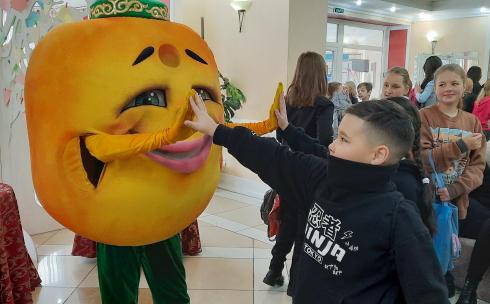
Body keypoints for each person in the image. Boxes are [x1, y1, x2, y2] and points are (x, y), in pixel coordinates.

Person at [185, 94, 449, 304]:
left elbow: (427, 293)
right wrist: (217, 130)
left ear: (378, 154)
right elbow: (273, 156)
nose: (332, 145)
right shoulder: (323, 177)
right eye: (337, 136)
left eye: (343, 139)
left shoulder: (399, 218)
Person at [264, 51, 334, 288]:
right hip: (311, 170)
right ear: (321, 74)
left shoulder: (287, 100)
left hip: (287, 166)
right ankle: (296, 280)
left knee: (288, 220)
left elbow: (279, 133)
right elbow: (324, 139)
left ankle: (274, 269)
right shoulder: (323, 104)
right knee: (306, 225)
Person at [419, 64, 487, 304]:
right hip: (426, 198)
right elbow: (423, 159)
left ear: (465, 87)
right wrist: (460, 146)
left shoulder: (473, 123)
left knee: (448, 241)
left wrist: (455, 189)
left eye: (454, 83)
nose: (448, 88)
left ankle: (448, 275)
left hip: (457, 200)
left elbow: (477, 168)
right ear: (434, 88)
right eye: (442, 84)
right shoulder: (425, 116)